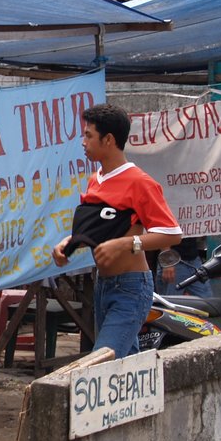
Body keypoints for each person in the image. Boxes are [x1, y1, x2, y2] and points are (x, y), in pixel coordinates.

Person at [52, 103, 182, 358]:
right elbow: (96, 230)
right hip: (104, 285)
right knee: (126, 368)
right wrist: (68, 243)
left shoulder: (139, 182)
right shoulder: (95, 179)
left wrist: (125, 244)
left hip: (131, 287)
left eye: (89, 135)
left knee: (104, 360)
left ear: (108, 139)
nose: (83, 141)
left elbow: (172, 233)